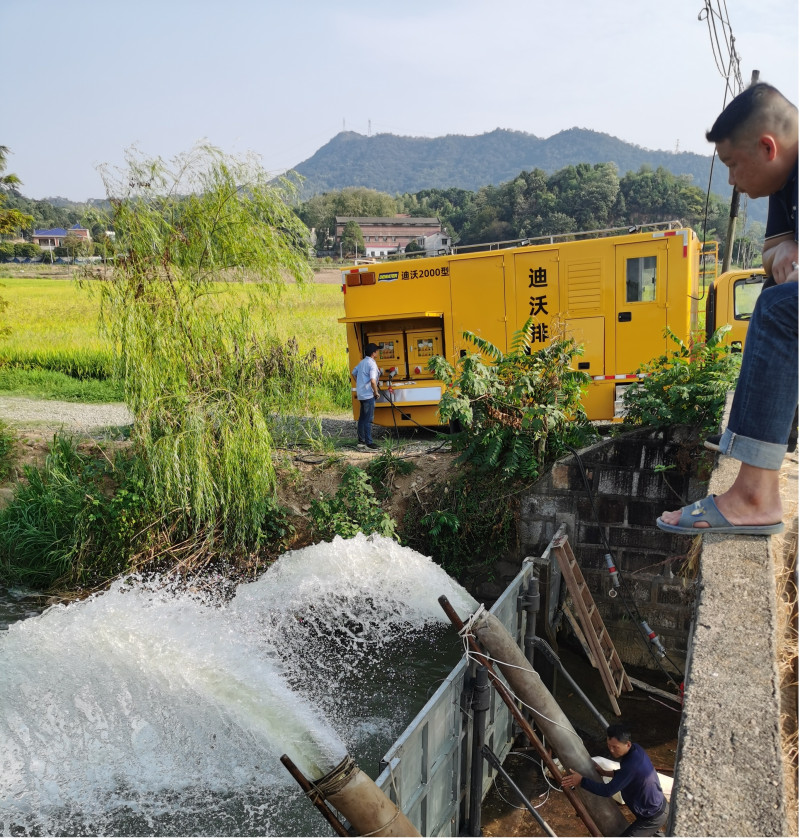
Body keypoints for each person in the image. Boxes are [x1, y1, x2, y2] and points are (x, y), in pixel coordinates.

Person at [658, 82, 798, 536]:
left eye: (734, 165)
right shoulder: (785, 181)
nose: (733, 180)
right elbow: (773, 257)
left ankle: (756, 495)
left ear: (766, 146)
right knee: (777, 301)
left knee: (778, 310)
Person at [560, 723, 668, 837]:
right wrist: (606, 773)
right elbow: (627, 775)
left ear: (627, 744)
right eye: (608, 745)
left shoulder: (632, 765)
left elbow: (607, 791)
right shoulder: (636, 750)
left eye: (615, 747)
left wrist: (581, 780)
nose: (611, 750)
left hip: (652, 816)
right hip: (655, 807)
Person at [352, 342, 381, 449]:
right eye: (377, 351)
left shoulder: (362, 362)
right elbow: (373, 381)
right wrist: (376, 392)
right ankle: (369, 442)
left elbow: (353, 373)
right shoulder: (372, 364)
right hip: (368, 395)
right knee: (368, 419)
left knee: (362, 418)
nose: (378, 352)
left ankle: (361, 441)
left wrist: (360, 384)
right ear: (373, 353)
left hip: (361, 394)